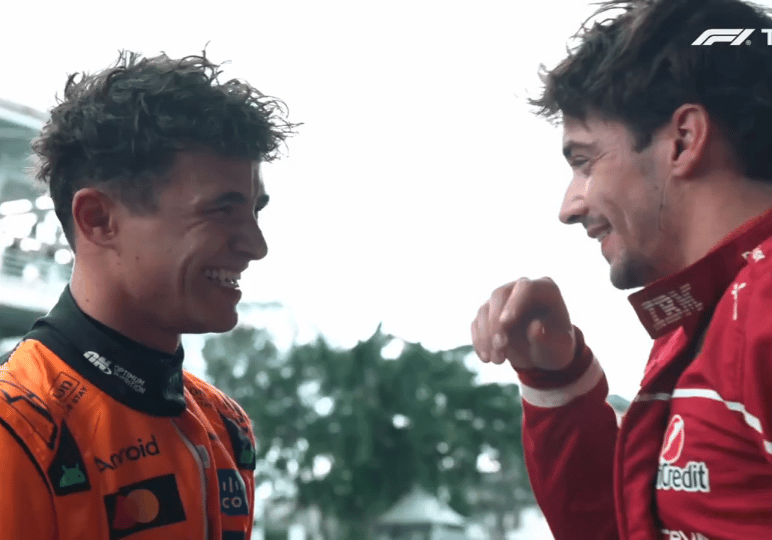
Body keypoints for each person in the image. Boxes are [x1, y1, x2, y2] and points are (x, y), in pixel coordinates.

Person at [471, 0, 772, 538]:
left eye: (584, 161)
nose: (568, 207)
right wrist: (557, 381)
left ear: (683, 141)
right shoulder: (705, 315)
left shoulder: (761, 307)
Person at [0, 51, 295, 539]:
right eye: (221, 211)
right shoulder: (18, 430)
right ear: (98, 219)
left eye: (255, 211)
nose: (255, 246)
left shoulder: (226, 424)